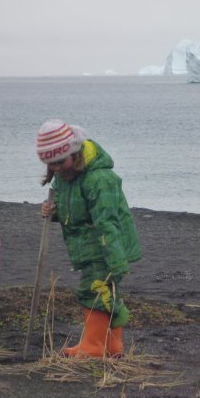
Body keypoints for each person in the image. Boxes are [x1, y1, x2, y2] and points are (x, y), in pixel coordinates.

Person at [36, 119, 143, 358]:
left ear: (75, 153)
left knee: (93, 290)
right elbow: (74, 209)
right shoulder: (65, 177)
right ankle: (113, 347)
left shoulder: (98, 179)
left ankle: (93, 347)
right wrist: (53, 212)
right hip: (89, 245)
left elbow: (108, 222)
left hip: (106, 245)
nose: (58, 169)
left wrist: (116, 262)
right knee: (108, 294)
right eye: (51, 165)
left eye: (61, 162)